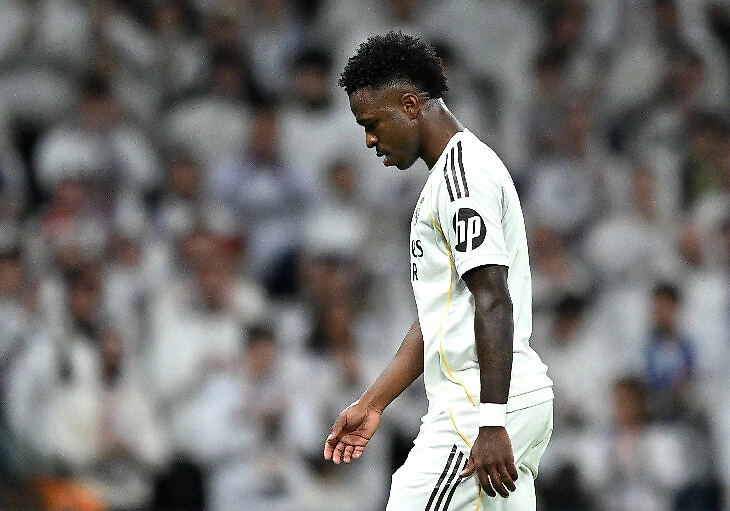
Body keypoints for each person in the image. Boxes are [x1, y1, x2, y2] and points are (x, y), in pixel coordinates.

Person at [323, 31, 554, 510]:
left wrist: (491, 421)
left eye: (372, 123)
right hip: (502, 401)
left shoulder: (461, 178)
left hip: (478, 406)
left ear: (410, 105)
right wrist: (372, 403)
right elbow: (440, 319)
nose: (368, 139)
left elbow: (493, 296)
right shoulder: (454, 175)